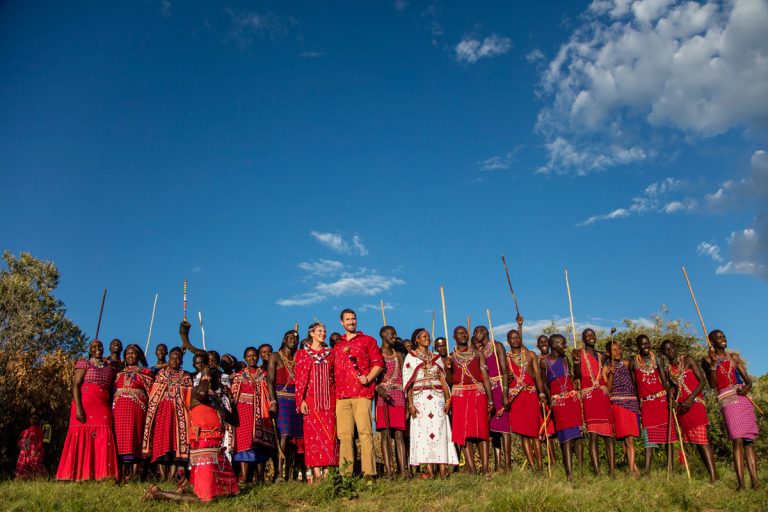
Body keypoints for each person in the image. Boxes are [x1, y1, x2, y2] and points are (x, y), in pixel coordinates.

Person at [143, 363, 239, 503]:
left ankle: (186, 488)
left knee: (231, 493)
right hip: (204, 450)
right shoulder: (197, 393)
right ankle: (158, 493)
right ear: (209, 379)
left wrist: (231, 398)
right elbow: (202, 393)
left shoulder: (215, 401)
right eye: (217, 378)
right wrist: (205, 376)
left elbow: (235, 421)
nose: (220, 381)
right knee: (205, 500)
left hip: (218, 451)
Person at [702, 329, 759, 490]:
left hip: (743, 399)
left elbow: (748, 381)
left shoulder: (734, 357)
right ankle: (741, 484)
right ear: (711, 342)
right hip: (727, 400)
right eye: (718, 337)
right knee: (737, 440)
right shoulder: (706, 360)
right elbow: (713, 385)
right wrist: (713, 364)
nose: (723, 339)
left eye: (724, 336)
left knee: (749, 442)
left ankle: (755, 482)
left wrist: (746, 388)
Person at [56, 339, 118, 481]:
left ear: (103, 349)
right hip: (84, 405)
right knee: (80, 436)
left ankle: (102, 475)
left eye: (100, 346)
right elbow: (75, 385)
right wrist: (79, 408)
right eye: (94, 347)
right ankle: (75, 475)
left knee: (104, 434)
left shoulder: (109, 367)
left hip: (102, 406)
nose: (97, 348)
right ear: (90, 350)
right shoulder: (84, 363)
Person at [332, 309, 384, 479]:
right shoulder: (337, 346)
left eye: (353, 319)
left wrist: (369, 378)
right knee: (344, 436)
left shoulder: (368, 340)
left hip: (362, 394)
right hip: (341, 396)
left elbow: (378, 363)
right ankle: (346, 474)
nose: (351, 322)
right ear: (341, 322)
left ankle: (369, 472)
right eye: (347, 319)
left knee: (365, 433)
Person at [403, 328, 458, 477]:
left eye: (428, 336)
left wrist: (448, 399)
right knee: (424, 433)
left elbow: (443, 380)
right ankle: (428, 469)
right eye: (424, 336)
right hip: (420, 398)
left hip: (437, 397)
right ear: (417, 340)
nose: (427, 338)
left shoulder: (436, 357)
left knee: (441, 431)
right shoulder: (411, 357)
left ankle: (442, 468)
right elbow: (408, 383)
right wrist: (410, 404)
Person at [661, 339, 717, 483]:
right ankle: (710, 473)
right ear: (664, 353)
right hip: (682, 409)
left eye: (671, 348)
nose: (670, 351)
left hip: (695, 404)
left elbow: (703, 381)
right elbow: (674, 387)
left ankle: (713, 476)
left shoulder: (688, 360)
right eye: (666, 350)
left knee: (702, 440)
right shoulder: (668, 370)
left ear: (676, 347)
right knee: (695, 442)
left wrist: (691, 398)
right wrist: (672, 398)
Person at [142, 342, 193, 482]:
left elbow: (188, 398)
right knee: (161, 442)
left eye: (177, 358)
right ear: (168, 360)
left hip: (179, 415)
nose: (174, 360)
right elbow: (154, 396)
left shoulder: (186, 377)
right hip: (162, 413)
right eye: (172, 358)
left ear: (182, 360)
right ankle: (163, 476)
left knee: (175, 445)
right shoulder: (161, 375)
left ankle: (172, 476)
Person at [295, 322, 339, 482]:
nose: (323, 333)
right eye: (320, 331)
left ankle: (328, 473)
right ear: (312, 333)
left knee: (330, 437)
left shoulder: (330, 353)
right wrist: (302, 400)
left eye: (324, 331)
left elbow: (335, 376)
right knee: (313, 437)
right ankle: (316, 473)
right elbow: (300, 379)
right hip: (311, 400)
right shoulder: (302, 354)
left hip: (329, 400)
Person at [447, 325, 493, 476]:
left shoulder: (478, 354)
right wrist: (447, 368)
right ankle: (472, 468)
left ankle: (485, 468)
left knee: (482, 431)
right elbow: (448, 380)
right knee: (464, 432)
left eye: (464, 333)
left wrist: (490, 399)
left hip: (477, 393)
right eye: (459, 333)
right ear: (454, 337)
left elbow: (485, 376)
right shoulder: (450, 357)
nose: (463, 335)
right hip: (459, 395)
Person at [630, 334, 675, 475]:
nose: (646, 346)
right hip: (646, 403)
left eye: (647, 343)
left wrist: (670, 396)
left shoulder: (658, 360)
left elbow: (664, 379)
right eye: (643, 344)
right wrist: (638, 404)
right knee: (648, 438)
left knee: (668, 437)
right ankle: (647, 470)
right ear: (638, 346)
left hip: (661, 400)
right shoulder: (633, 363)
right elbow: (635, 386)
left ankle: (670, 468)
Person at [540, 334, 583, 481]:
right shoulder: (544, 363)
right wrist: (550, 398)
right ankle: (569, 474)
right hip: (559, 402)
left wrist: (577, 361)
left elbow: (577, 376)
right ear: (554, 344)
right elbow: (544, 383)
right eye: (563, 343)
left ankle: (581, 472)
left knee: (577, 436)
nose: (565, 346)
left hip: (572, 400)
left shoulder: (565, 359)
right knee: (565, 438)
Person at [573, 328, 615, 476]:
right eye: (587, 336)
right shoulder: (579, 353)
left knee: (609, 435)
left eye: (593, 335)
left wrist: (610, 372)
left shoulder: (601, 356)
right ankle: (597, 472)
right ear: (583, 339)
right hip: (589, 396)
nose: (591, 337)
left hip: (602, 396)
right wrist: (576, 361)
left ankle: (612, 471)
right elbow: (577, 375)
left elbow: (605, 376)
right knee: (593, 435)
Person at [231, 346, 276, 484]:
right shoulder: (238, 375)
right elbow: (233, 394)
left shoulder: (264, 373)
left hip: (260, 413)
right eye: (249, 356)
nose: (252, 358)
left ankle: (261, 478)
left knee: (259, 444)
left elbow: (269, 391)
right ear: (245, 358)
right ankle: (244, 477)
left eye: (254, 355)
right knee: (244, 444)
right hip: (242, 412)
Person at [506, 325, 547, 472]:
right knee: (524, 435)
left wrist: (541, 394)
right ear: (508, 341)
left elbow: (537, 376)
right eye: (512, 338)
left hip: (530, 396)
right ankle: (534, 467)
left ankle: (541, 466)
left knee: (535, 433)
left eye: (517, 337)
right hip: (517, 399)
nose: (515, 340)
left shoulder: (530, 355)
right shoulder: (505, 358)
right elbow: (503, 377)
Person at [113, 344, 154, 481]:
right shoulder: (118, 374)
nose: (130, 356)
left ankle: (135, 476)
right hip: (119, 412)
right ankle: (121, 474)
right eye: (128, 353)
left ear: (139, 356)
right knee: (119, 441)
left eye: (133, 353)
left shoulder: (146, 373)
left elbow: (152, 394)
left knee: (134, 439)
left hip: (137, 411)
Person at [473, 325, 511, 470]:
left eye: (478, 331)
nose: (476, 334)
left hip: (500, 387)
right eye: (475, 332)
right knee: (493, 429)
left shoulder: (497, 346)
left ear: (485, 332)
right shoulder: (479, 352)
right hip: (487, 391)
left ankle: (507, 465)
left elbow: (505, 371)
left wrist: (505, 394)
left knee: (504, 428)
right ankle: (496, 465)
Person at [268, 330, 304, 481]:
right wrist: (273, 401)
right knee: (284, 434)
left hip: (296, 399)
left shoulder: (300, 357)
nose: (293, 340)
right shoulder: (275, 356)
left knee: (297, 438)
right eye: (290, 338)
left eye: (296, 338)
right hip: (281, 398)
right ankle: (279, 473)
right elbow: (270, 380)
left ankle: (291, 473)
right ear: (284, 339)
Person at [376, 325, 408, 478]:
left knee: (399, 434)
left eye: (395, 334)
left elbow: (405, 377)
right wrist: (378, 388)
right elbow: (372, 377)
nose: (394, 336)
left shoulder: (399, 356)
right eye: (391, 333)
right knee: (385, 434)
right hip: (382, 396)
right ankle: (389, 471)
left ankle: (403, 470)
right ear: (383, 334)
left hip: (398, 395)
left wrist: (408, 401)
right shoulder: (376, 353)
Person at [605, 339, 640, 476]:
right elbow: (607, 389)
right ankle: (633, 467)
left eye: (619, 349)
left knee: (630, 438)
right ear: (608, 353)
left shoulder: (627, 364)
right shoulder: (606, 368)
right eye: (614, 350)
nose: (618, 351)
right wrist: (611, 374)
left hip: (631, 403)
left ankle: (631, 469)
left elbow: (636, 380)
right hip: (618, 404)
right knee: (624, 439)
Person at [536, 334, 557, 464]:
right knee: (548, 433)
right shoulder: (537, 360)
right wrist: (542, 395)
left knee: (560, 430)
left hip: (557, 396)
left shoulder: (555, 359)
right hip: (544, 399)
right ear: (538, 346)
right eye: (541, 342)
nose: (544, 344)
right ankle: (553, 462)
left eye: (546, 342)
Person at [15, 413, 48, 479]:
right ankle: (28, 477)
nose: (33, 420)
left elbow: (40, 442)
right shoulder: (27, 431)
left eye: (34, 418)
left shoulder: (34, 431)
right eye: (33, 418)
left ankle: (31, 477)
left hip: (32, 451)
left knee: (33, 464)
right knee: (31, 464)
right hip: (30, 452)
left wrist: (35, 450)